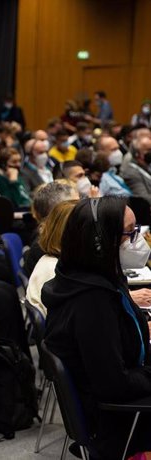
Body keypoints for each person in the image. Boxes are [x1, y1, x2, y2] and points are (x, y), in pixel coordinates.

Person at [42, 197, 151, 459]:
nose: (137, 240)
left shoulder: (87, 278)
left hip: (120, 403)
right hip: (118, 421)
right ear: (100, 242)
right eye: (130, 232)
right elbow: (114, 384)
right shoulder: (92, 300)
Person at [23, 181, 80, 277]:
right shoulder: (45, 250)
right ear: (59, 212)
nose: (82, 208)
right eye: (76, 205)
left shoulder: (57, 237)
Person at [121, 136, 151, 204]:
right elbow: (144, 199)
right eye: (149, 150)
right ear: (137, 154)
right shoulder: (131, 173)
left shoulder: (146, 166)